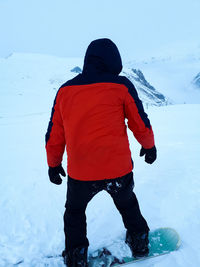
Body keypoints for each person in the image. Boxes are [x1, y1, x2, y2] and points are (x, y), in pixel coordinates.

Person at [45, 38, 157, 267]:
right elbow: (139, 121)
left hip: (81, 173)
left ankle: (76, 257)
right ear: (114, 61)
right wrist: (149, 145)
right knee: (127, 204)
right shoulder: (121, 85)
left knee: (74, 213)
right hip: (118, 169)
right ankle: (140, 243)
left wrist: (53, 164)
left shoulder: (65, 91)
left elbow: (55, 133)